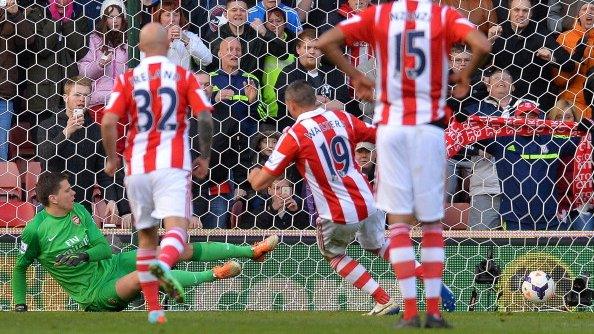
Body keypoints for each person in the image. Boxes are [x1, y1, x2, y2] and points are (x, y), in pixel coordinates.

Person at [317, 0, 490, 328]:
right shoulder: (442, 14)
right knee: (431, 222)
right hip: (428, 127)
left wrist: (357, 76)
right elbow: (482, 44)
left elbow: (325, 41)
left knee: (396, 222)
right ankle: (434, 313)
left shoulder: (378, 14)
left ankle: (410, 313)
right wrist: (464, 76)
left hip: (390, 127)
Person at [102, 23, 278, 324]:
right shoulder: (183, 76)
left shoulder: (128, 78)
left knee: (146, 237)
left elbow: (108, 122)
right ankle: (164, 267)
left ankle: (154, 308)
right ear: (167, 47)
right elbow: (206, 117)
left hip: (137, 165)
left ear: (141, 48)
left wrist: (110, 160)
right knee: (176, 233)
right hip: (171, 163)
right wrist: (206, 156)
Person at [248, 81, 456, 317]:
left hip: (337, 210)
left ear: (290, 105)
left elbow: (259, 183)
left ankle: (383, 299)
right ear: (315, 99)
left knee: (334, 255)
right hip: (368, 200)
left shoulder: (294, 135)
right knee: (378, 245)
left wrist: (253, 173)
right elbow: (379, 134)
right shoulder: (341, 118)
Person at [11, 171, 277, 313]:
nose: (74, 192)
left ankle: (250, 250)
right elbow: (20, 267)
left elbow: (103, 249)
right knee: (145, 274)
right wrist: (20, 304)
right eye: (67, 190)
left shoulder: (79, 211)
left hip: (111, 265)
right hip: (94, 294)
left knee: (173, 249)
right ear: (53, 199)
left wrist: (84, 256)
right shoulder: (35, 231)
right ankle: (215, 274)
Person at [37, 76, 119, 214]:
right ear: (65, 97)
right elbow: (44, 156)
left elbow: (103, 171)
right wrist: (66, 132)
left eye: (86, 95)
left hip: (82, 207)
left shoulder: (95, 130)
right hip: (52, 206)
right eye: (77, 94)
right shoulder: (48, 125)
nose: (82, 99)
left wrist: (110, 199)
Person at [0, 0, 34, 160]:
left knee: (1, 149)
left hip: (4, 94)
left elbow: (28, 41)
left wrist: (16, 14)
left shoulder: (13, 16)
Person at [554, 1, 594, 119]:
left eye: (593, 9)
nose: (589, 12)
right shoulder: (564, 38)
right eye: (584, 9)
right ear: (577, 15)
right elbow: (559, 81)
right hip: (570, 108)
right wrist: (576, 58)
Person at [152, 0, 212, 70]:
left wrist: (185, 40)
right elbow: (146, 61)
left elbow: (207, 60)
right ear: (159, 18)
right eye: (167, 15)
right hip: (160, 80)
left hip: (184, 80)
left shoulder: (188, 35)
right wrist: (166, 41)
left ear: (180, 17)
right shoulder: (152, 36)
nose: (172, 19)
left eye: (176, 15)